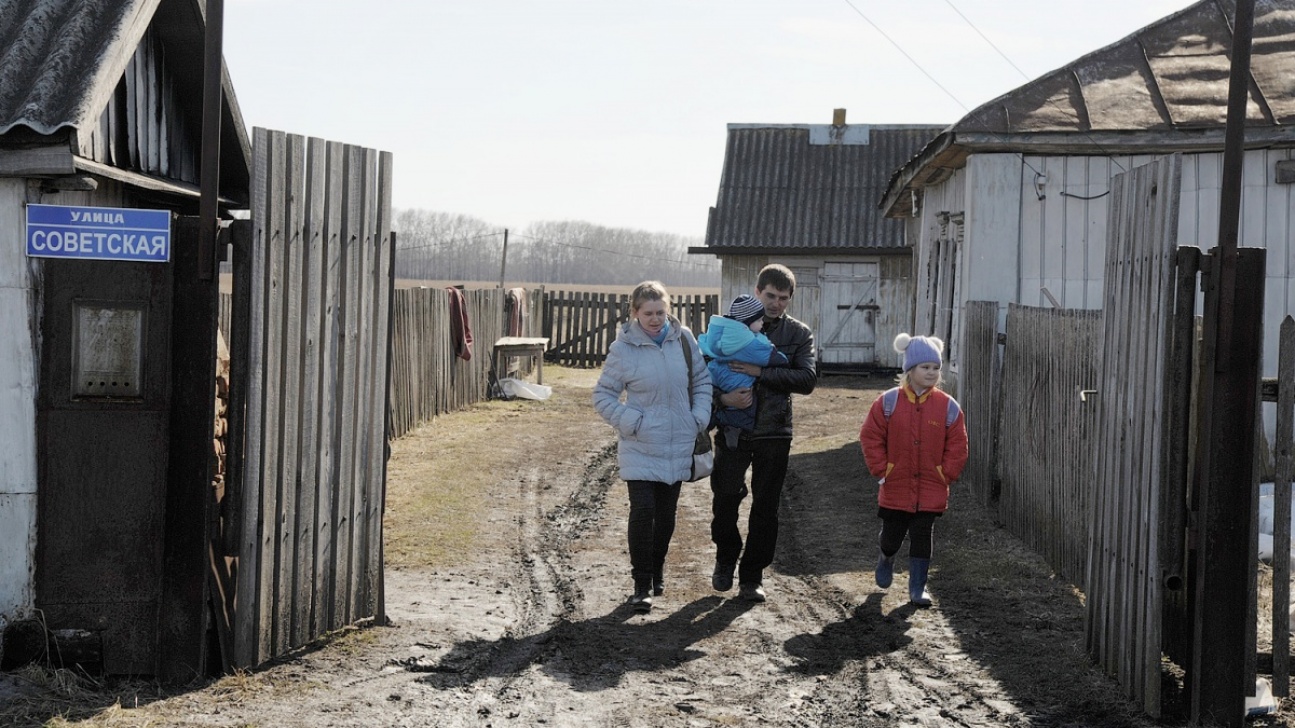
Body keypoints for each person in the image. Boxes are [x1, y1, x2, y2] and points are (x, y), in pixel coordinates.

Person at [594, 281, 712, 614]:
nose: (656, 319)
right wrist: (633, 421)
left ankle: (657, 566)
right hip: (640, 444)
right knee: (643, 511)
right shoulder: (623, 349)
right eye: (648, 313)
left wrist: (698, 417)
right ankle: (641, 584)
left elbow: (702, 381)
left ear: (668, 310)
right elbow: (602, 396)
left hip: (678, 442)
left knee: (666, 515)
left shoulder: (683, 340)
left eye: (661, 312)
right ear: (635, 313)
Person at [709, 264, 817, 603]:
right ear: (758, 292)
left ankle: (751, 576)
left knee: (766, 507)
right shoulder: (729, 326)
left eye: (783, 298)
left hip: (774, 430)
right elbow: (703, 374)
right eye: (770, 296)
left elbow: (807, 380)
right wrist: (722, 399)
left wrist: (761, 371)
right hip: (732, 428)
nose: (776, 304)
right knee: (725, 498)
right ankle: (726, 558)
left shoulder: (799, 335)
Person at [859, 333, 969, 607]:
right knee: (893, 534)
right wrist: (882, 470)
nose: (931, 373)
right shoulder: (887, 403)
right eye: (925, 367)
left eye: (935, 368)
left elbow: (958, 443)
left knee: (922, 534)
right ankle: (886, 557)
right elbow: (870, 436)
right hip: (895, 483)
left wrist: (947, 473)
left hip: (932, 485)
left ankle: (917, 588)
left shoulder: (948, 406)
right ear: (910, 370)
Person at [697, 294, 789, 449]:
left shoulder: (721, 334)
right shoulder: (747, 342)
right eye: (759, 320)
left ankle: (713, 422)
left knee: (724, 404)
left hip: (716, 376)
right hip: (737, 381)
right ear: (747, 323)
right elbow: (775, 359)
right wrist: (775, 353)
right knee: (746, 403)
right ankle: (733, 430)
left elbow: (703, 346)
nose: (762, 324)